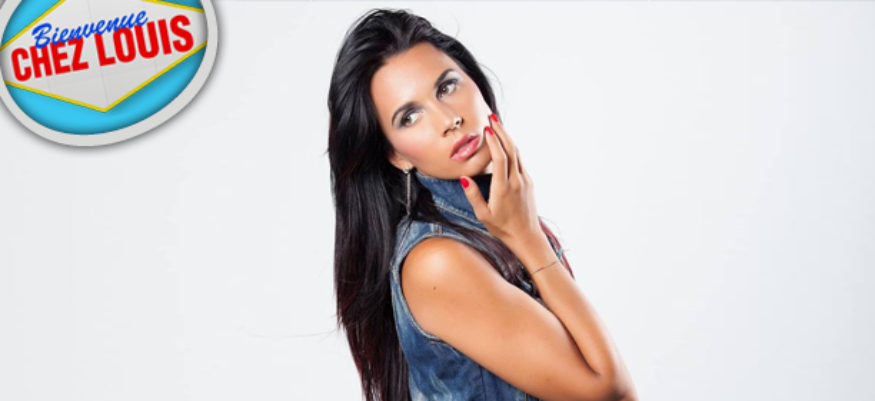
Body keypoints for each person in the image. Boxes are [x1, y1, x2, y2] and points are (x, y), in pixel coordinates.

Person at [327, 8, 637, 401]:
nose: (448, 119)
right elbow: (611, 392)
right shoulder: (438, 262)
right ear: (396, 155)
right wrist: (529, 239)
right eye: (410, 116)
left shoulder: (494, 219)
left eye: (446, 87)